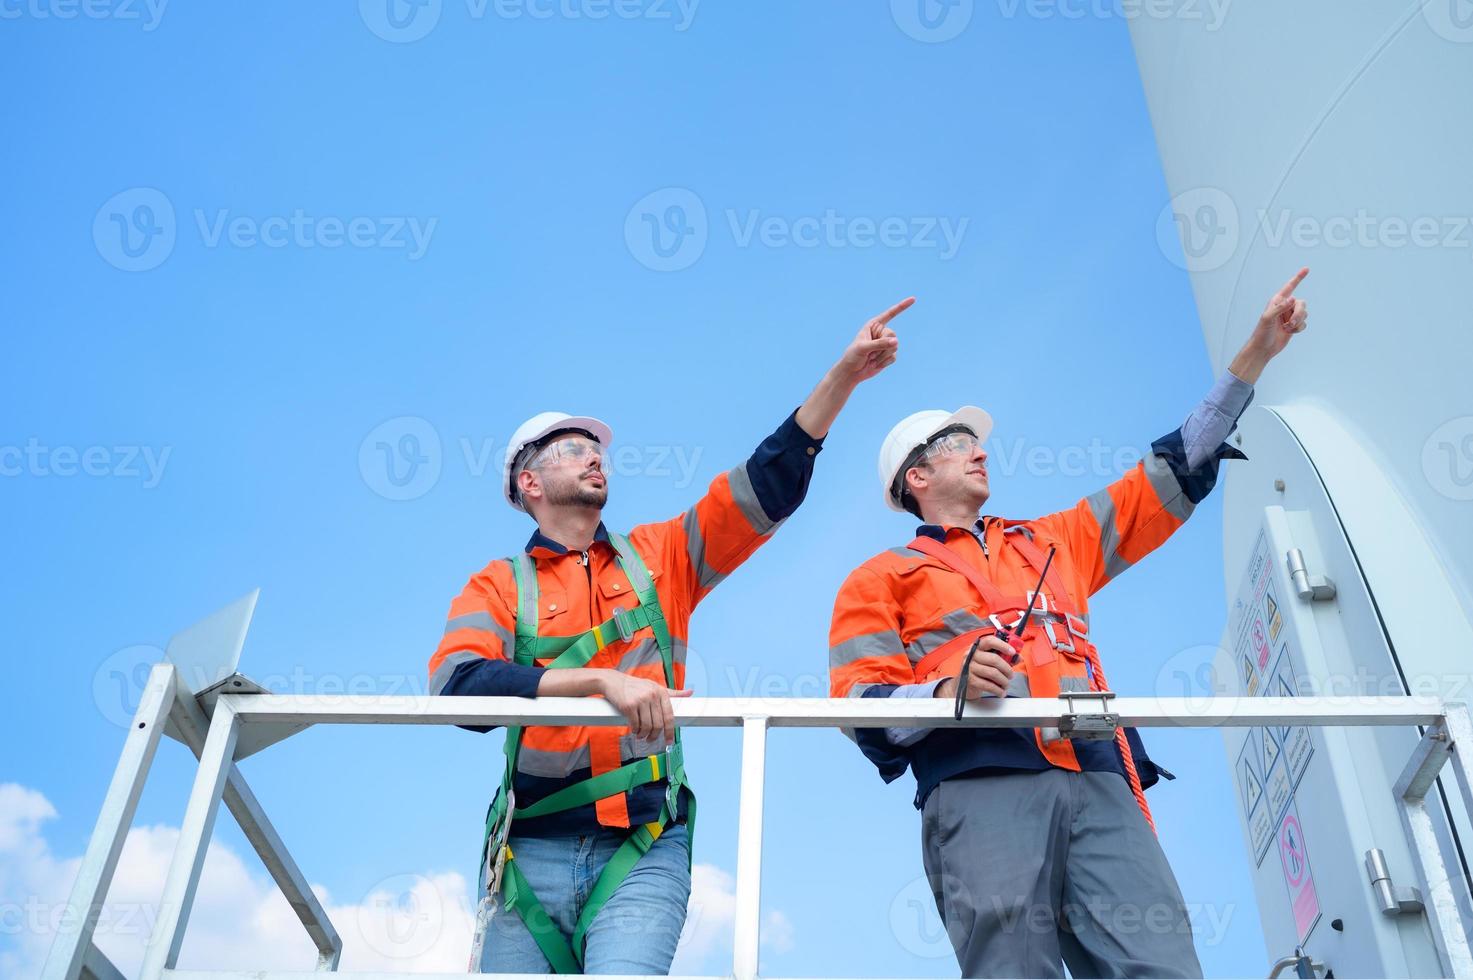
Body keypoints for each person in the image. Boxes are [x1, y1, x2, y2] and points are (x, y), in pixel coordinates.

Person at [828, 272, 1311, 978]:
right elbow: (854, 704)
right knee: (1010, 968)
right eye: (958, 443)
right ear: (916, 480)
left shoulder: (1055, 539)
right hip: (980, 780)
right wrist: (942, 692)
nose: (980, 449)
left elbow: (1170, 469)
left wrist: (1253, 359)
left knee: (1164, 965)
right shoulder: (877, 579)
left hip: (1097, 772)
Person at [429, 298, 910, 974]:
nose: (595, 458)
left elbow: (764, 486)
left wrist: (843, 378)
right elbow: (457, 688)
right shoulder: (497, 587)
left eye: (597, 449)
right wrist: (598, 680)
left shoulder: (662, 558)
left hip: (644, 843)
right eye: (573, 449)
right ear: (527, 482)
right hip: (528, 852)